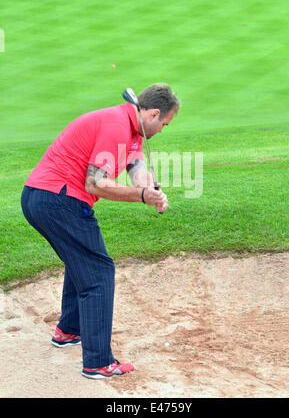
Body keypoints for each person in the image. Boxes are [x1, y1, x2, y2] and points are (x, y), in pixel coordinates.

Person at [21, 83, 180, 379]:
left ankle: (69, 331)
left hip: (42, 197)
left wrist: (152, 191)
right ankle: (98, 362)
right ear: (154, 113)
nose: (162, 130)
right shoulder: (116, 126)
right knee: (99, 272)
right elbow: (95, 184)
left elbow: (136, 168)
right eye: (164, 124)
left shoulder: (132, 129)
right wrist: (142, 196)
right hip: (58, 200)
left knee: (81, 261)